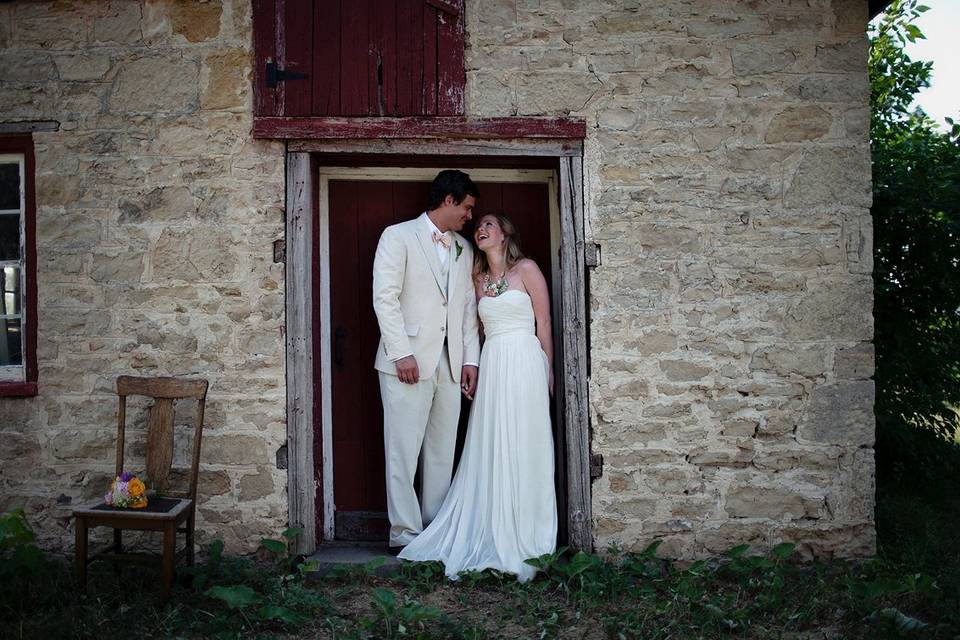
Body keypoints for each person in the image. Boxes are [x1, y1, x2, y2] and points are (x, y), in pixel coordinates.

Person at [399, 213, 557, 583]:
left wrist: (548, 366)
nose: (481, 230)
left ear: (505, 234)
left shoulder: (528, 269)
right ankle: (488, 524)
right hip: (495, 362)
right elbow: (473, 329)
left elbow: (544, 322)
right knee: (491, 442)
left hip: (525, 359)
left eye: (488, 224)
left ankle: (528, 529)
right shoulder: (478, 279)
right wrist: (473, 367)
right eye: (477, 227)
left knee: (525, 441)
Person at [372, 170, 482, 552]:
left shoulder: (464, 249)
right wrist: (401, 352)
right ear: (449, 200)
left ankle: (433, 531)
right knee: (402, 449)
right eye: (467, 208)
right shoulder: (397, 236)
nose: (470, 217)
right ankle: (403, 532)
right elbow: (384, 298)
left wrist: (472, 361)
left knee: (442, 450)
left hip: (451, 366)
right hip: (408, 363)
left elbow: (467, 309)